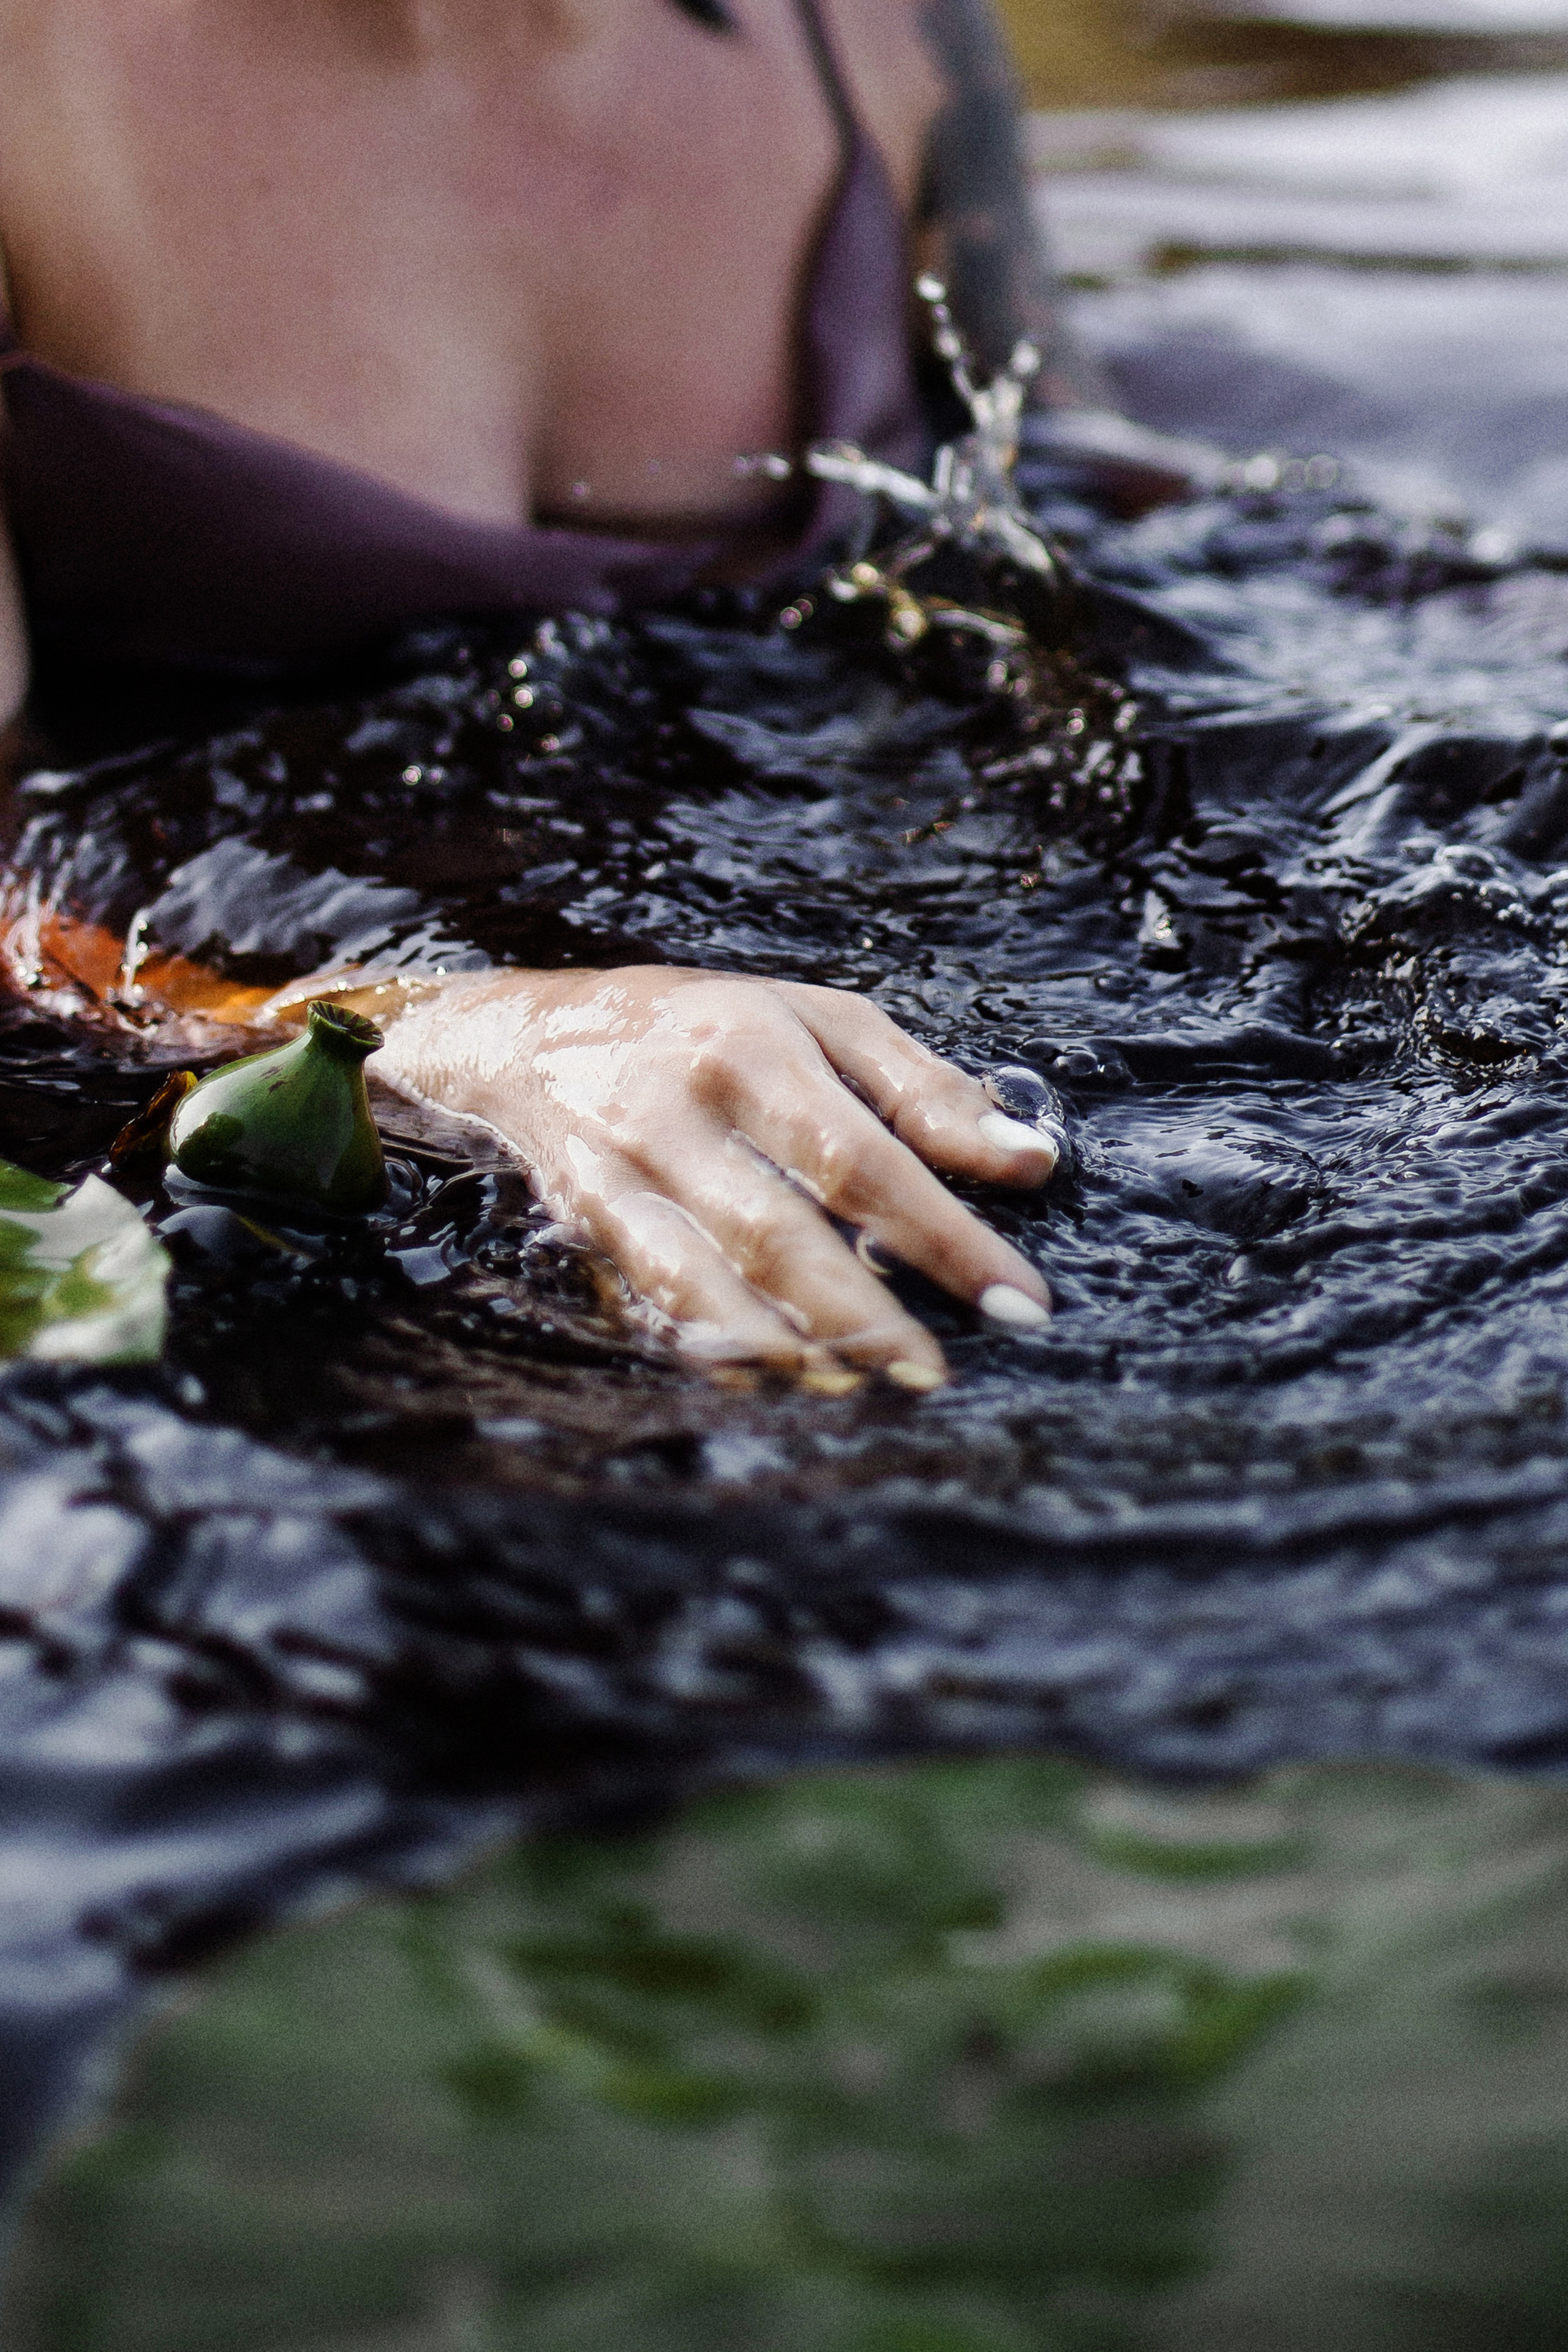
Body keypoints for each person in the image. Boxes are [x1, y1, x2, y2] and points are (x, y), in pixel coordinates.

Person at [0, 0, 1084, 1387]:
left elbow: (1077, 500)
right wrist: (445, 1033)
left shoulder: (891, 33)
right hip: (218, 1082)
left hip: (850, 923)